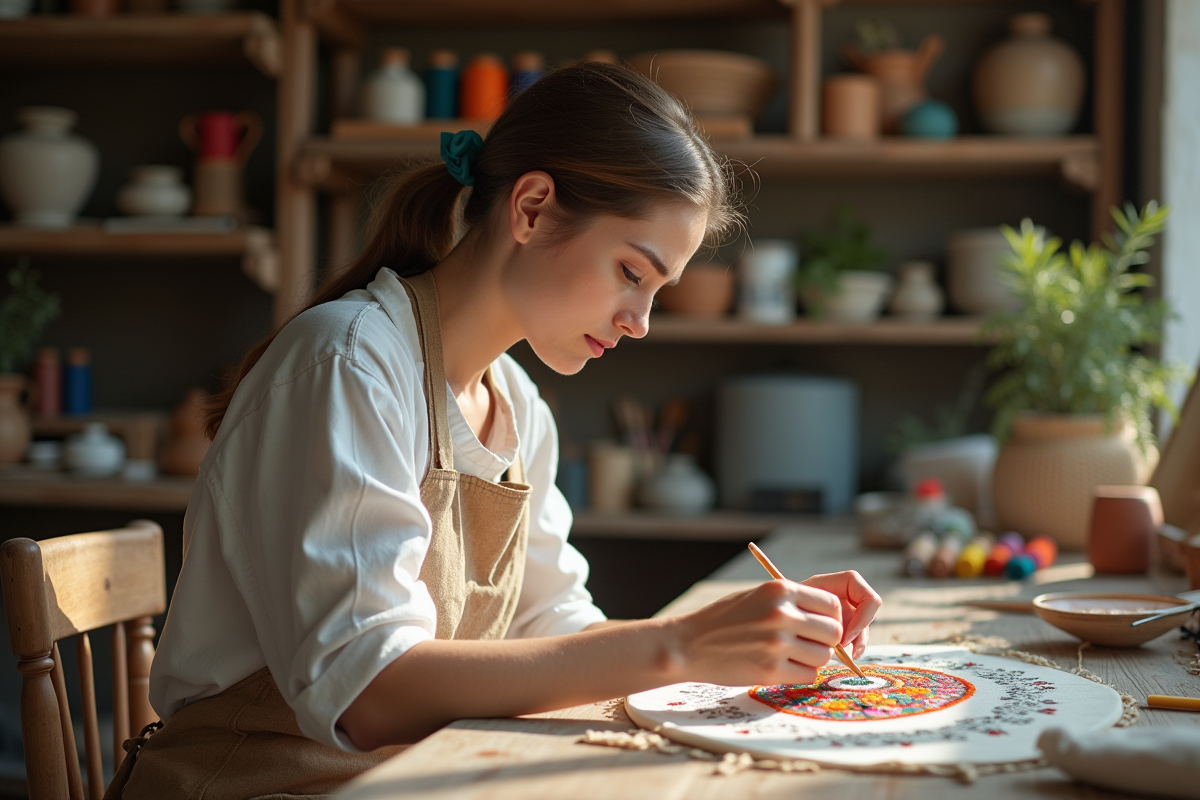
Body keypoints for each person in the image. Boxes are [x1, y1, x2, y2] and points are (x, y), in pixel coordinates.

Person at [114, 62, 882, 798]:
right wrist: (681, 645)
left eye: (657, 291)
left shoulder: (516, 405)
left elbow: (556, 625)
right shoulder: (349, 364)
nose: (640, 322)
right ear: (532, 207)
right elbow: (366, 693)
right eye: (631, 273)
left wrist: (742, 645)